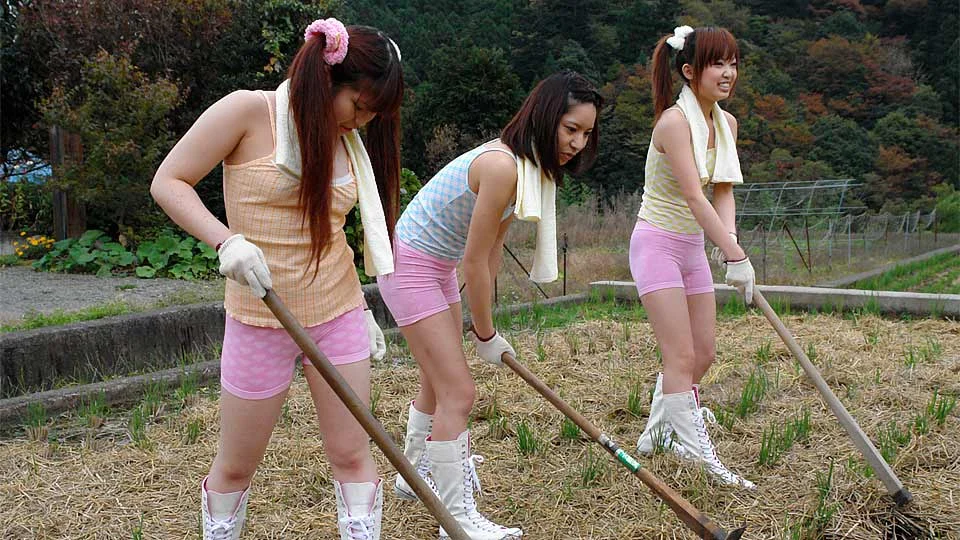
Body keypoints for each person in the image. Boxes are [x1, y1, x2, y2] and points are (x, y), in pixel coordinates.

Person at [151, 18, 404, 540]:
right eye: (358, 105)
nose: (362, 122)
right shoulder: (249, 111)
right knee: (237, 466)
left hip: (337, 314)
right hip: (258, 318)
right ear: (325, 81)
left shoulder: (348, 143)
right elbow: (168, 181)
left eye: (372, 114)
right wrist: (227, 241)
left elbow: (334, 235)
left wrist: (360, 308)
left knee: (353, 454)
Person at [378, 70, 602, 539]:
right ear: (544, 118)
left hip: (434, 266)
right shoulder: (501, 166)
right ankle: (454, 518)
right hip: (411, 265)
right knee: (459, 392)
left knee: (438, 382)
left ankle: (411, 475)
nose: (578, 143)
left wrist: (481, 320)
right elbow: (474, 261)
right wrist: (484, 332)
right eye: (570, 129)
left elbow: (493, 252)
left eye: (586, 133)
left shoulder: (528, 171)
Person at [630, 25, 755, 489]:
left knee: (703, 353)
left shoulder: (727, 124)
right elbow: (694, 197)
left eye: (734, 63)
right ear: (689, 71)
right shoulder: (674, 123)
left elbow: (722, 190)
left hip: (690, 248)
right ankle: (700, 454)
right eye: (718, 63)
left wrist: (731, 250)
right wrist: (734, 253)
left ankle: (658, 432)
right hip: (656, 244)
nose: (729, 73)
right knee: (679, 356)